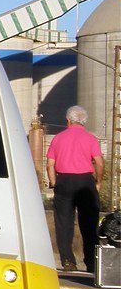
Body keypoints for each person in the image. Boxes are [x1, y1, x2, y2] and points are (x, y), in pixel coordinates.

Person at [46, 105, 104, 272]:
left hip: (64, 181)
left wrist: (54, 182)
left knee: (63, 223)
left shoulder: (58, 138)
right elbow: (99, 163)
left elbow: (50, 164)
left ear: (68, 120)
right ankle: (92, 262)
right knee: (89, 223)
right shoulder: (91, 139)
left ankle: (68, 261)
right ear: (84, 121)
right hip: (86, 181)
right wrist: (98, 182)